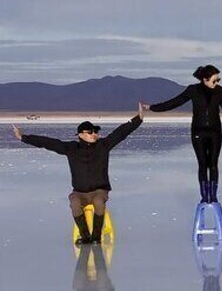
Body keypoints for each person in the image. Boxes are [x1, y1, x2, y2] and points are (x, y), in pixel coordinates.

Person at [12, 104, 144, 244]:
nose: (94, 135)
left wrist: (138, 119)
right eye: (90, 132)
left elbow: (120, 133)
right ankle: (85, 237)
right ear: (80, 134)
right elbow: (48, 142)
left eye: (96, 132)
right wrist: (23, 137)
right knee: (74, 203)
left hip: (99, 190)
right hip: (79, 192)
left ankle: (96, 237)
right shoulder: (71, 148)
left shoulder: (103, 145)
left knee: (98, 202)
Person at [143, 65, 222, 203]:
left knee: (213, 164)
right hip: (198, 132)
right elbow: (174, 103)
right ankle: (204, 195)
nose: (217, 83)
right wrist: (153, 108)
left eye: (219, 79)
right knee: (202, 164)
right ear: (205, 79)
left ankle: (213, 195)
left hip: (215, 133)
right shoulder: (193, 90)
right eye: (215, 80)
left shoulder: (219, 91)